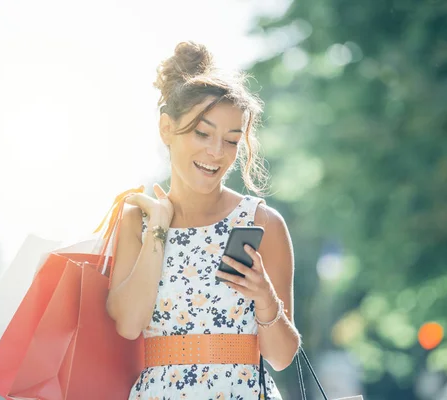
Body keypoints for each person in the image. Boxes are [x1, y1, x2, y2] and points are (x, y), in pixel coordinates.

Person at [106, 41, 301, 400]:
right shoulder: (139, 220)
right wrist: (159, 228)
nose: (216, 152)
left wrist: (265, 295)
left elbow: (282, 356)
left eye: (231, 140)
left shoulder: (263, 222)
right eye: (202, 133)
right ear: (167, 128)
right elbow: (129, 324)